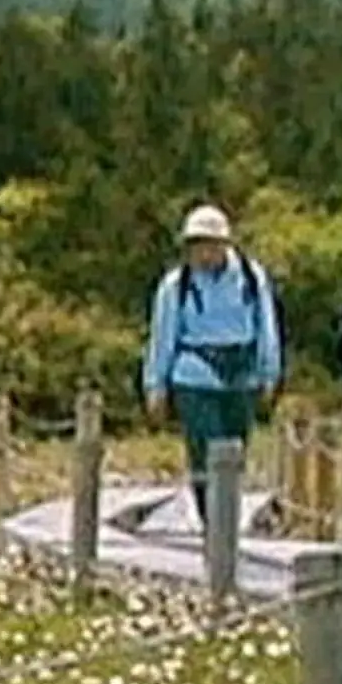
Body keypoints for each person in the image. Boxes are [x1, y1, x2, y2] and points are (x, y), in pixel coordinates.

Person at [142, 202, 281, 524]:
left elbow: (266, 326)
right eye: (196, 246)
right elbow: (162, 336)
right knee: (205, 452)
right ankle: (212, 523)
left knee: (235, 451)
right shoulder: (176, 286)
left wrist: (269, 372)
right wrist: (156, 385)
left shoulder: (250, 277)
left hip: (242, 374)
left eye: (209, 245)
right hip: (195, 374)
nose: (203, 254)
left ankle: (227, 521)